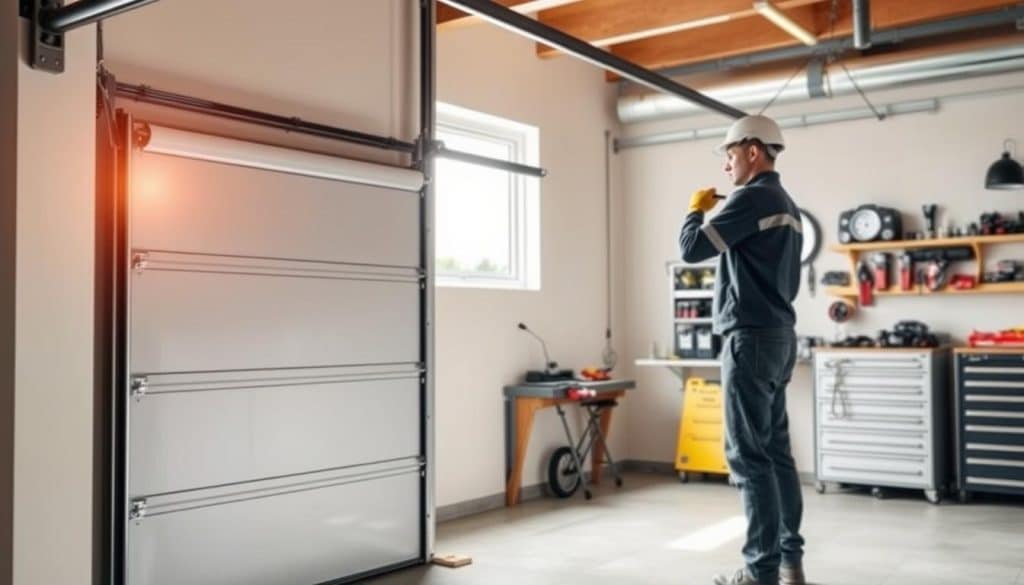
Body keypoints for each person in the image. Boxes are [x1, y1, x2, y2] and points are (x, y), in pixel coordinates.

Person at [677, 115, 806, 585]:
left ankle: (759, 573)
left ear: (753, 151)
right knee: (776, 455)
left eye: (730, 154)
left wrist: (694, 211)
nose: (726, 165)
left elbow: (692, 249)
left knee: (749, 460)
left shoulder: (751, 198)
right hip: (779, 336)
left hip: (749, 338)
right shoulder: (787, 204)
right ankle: (789, 563)